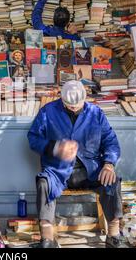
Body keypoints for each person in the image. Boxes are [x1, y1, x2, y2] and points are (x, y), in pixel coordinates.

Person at [27, 80, 127, 248]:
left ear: (85, 98)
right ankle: (47, 238)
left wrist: (109, 164)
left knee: (112, 181)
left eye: (77, 105)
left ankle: (114, 234)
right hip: (57, 170)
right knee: (43, 183)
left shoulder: (96, 113)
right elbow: (33, 138)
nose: (73, 108)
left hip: (91, 170)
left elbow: (111, 141)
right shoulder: (48, 111)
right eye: (69, 105)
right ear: (62, 99)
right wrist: (56, 147)